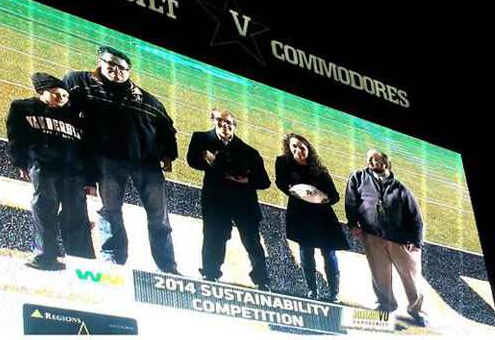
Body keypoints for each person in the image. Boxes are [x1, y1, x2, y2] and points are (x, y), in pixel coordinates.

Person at [63, 46, 179, 273]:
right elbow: (64, 105)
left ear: (129, 71)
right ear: (99, 61)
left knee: (159, 218)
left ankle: (167, 266)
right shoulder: (78, 82)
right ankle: (114, 260)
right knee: (110, 211)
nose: (117, 70)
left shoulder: (147, 99)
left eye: (122, 68)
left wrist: (168, 154)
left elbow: (168, 128)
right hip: (108, 162)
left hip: (146, 164)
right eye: (111, 65)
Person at [6, 73, 95, 270]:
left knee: (77, 213)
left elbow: (87, 149)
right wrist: (21, 162)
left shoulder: (75, 115)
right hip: (43, 166)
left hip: (74, 171)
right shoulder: (23, 107)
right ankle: (45, 256)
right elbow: (15, 137)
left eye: (64, 95)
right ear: (41, 92)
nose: (61, 98)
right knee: (45, 208)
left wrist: (89, 178)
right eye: (55, 94)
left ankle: (83, 262)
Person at [186, 108, 271, 290]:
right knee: (213, 239)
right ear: (213, 121)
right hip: (216, 202)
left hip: (244, 204)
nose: (224, 126)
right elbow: (192, 161)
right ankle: (210, 274)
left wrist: (245, 179)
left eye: (229, 124)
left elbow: (264, 181)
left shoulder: (250, 152)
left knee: (252, 243)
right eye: (220, 122)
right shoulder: (201, 139)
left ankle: (263, 281)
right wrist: (208, 162)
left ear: (235, 127)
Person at [345, 149, 427, 327]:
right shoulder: (358, 177)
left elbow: (416, 217)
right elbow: (351, 201)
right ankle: (386, 304)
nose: (374, 163)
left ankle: (416, 310)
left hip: (400, 240)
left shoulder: (401, 189)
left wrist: (416, 241)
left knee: (412, 278)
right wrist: (352, 223)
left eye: (378, 159)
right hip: (372, 235)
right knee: (379, 275)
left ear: (387, 162)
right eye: (370, 159)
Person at [274, 133, 349, 301]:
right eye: (294, 147)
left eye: (302, 146)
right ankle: (312, 291)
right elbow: (280, 183)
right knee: (306, 252)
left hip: (322, 216)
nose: (298, 150)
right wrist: (295, 192)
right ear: (289, 149)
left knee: (328, 253)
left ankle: (333, 294)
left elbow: (335, 196)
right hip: (300, 214)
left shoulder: (319, 169)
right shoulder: (283, 163)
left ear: (307, 148)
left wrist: (324, 198)